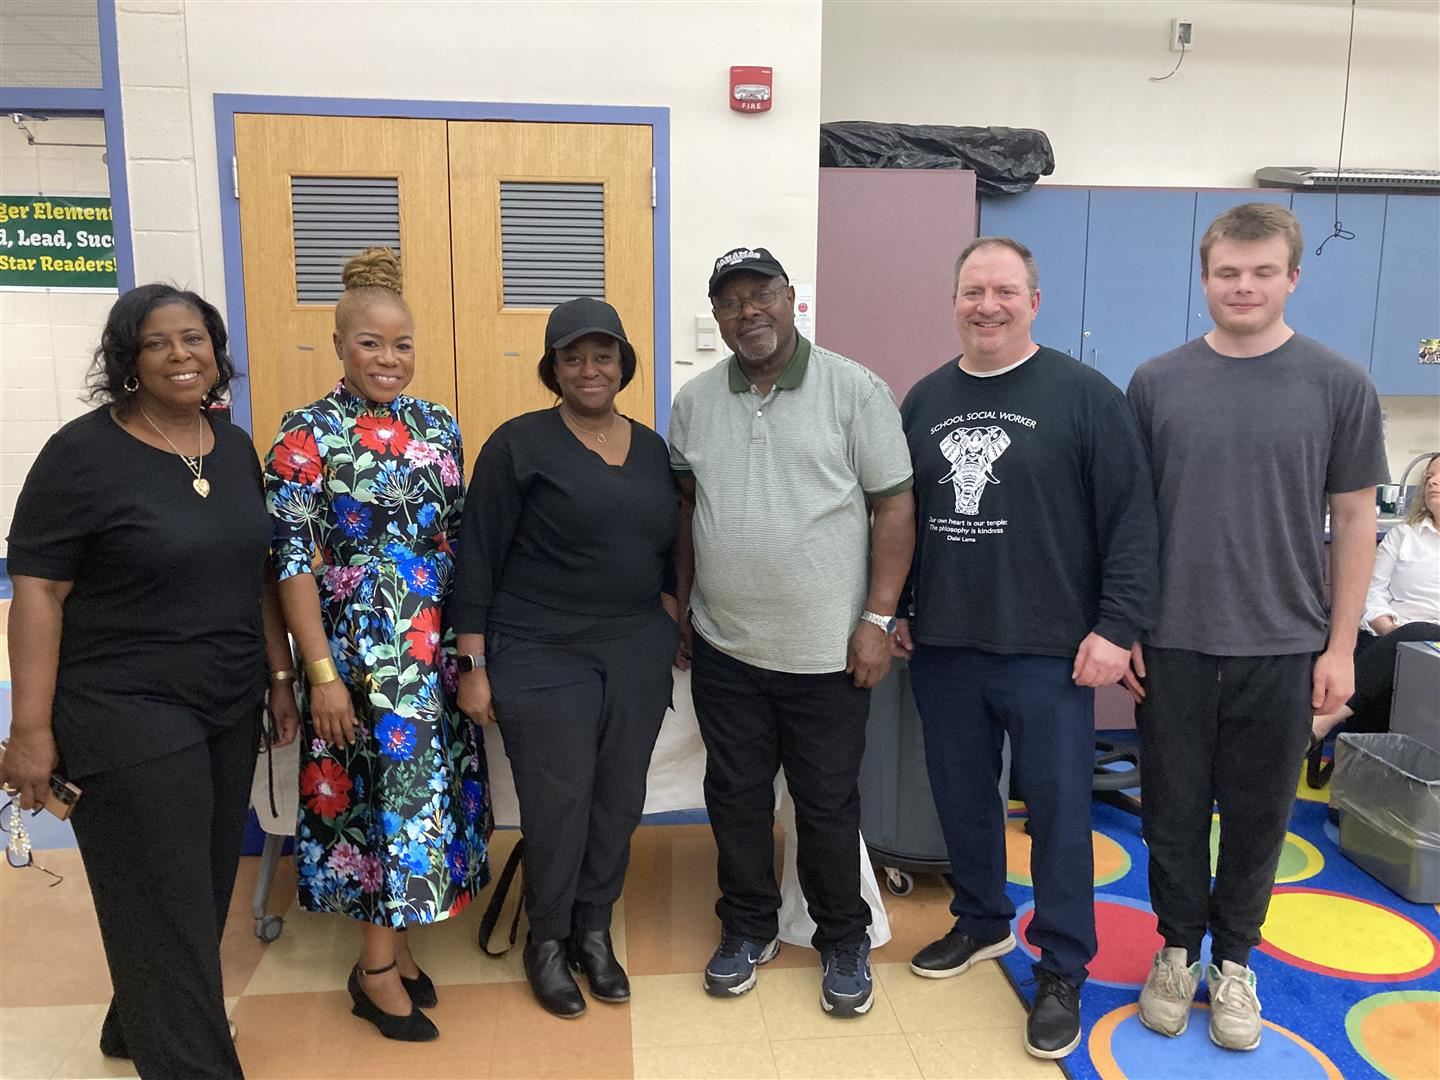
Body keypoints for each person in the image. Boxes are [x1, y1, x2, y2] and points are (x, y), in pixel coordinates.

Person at [2, 284, 300, 1079]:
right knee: (163, 890)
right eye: (160, 342)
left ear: (216, 349)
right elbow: (38, 591)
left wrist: (278, 675)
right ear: (128, 360)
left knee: (199, 884)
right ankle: (194, 1063)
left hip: (227, 696)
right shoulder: (82, 454)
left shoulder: (228, 446)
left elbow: (256, 574)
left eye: (195, 338)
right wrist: (29, 731)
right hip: (124, 705)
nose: (182, 355)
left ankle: (134, 1024)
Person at [1126, 203, 1388, 1051]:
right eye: (1228, 272)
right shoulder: (1156, 382)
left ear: (1292, 278)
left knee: (1259, 814)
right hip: (1172, 639)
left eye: (1262, 272)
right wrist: (1125, 624)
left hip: (1284, 641)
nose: (1243, 286)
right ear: (1205, 279)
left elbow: (1354, 522)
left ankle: (1234, 961)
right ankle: (1175, 949)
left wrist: (1341, 647)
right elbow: (1127, 522)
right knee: (1169, 809)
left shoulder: (1338, 383)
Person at [895, 237, 1159, 1060]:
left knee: (1056, 812)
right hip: (943, 644)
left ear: (1034, 302)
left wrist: (1117, 629)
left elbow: (1132, 522)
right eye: (973, 290)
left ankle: (1062, 968)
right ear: (954, 301)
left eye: (1004, 290)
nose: (987, 305)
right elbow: (901, 517)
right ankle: (980, 922)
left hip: (1051, 651)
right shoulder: (925, 399)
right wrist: (899, 606)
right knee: (963, 798)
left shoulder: (1086, 397)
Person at [669, 246, 915, 1017]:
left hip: (828, 655)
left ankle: (842, 936)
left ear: (789, 298)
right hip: (726, 648)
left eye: (761, 293)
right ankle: (748, 927)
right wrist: (681, 607)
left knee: (826, 803)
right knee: (735, 797)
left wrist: (877, 619)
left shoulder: (854, 388)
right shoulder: (695, 401)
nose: (749, 311)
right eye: (731, 301)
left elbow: (894, 509)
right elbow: (685, 513)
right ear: (717, 316)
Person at [264, 248, 490, 1043]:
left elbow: (463, 541)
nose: (387, 360)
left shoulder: (438, 426)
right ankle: (373, 972)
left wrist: (470, 654)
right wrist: (318, 675)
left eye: (400, 345)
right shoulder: (304, 435)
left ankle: (396, 947)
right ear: (337, 343)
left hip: (432, 648)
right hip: (358, 655)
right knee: (383, 806)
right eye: (369, 343)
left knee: (429, 806)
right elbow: (289, 565)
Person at [450, 297, 679, 1019]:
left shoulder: (651, 449)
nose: (589, 369)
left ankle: (592, 929)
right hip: (539, 648)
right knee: (559, 802)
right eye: (573, 357)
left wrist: (672, 613)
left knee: (619, 798)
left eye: (602, 355)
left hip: (635, 648)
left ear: (623, 365)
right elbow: (477, 557)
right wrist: (474, 663)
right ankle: (545, 939)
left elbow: (674, 540)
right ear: (553, 368)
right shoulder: (517, 445)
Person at [1311, 453, 1440, 747]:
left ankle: (1324, 721)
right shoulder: (1403, 535)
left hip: (1433, 642)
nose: (1432, 481)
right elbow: (1372, 591)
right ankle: (1360, 756)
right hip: (1388, 633)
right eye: (1430, 476)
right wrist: (1391, 632)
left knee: (1417, 635)